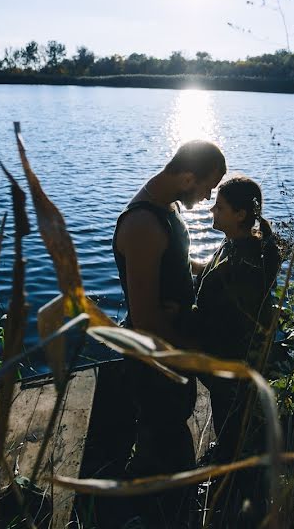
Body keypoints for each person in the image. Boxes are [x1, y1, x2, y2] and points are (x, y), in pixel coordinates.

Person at [112, 139, 226, 527]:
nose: (209, 197)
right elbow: (144, 317)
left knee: (169, 430)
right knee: (165, 441)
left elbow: (173, 262)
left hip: (169, 349)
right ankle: (150, 515)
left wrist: (209, 267)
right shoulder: (142, 224)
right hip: (155, 358)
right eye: (208, 187)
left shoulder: (167, 206)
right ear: (188, 177)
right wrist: (193, 352)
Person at [193, 176, 281, 525]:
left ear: (241, 214)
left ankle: (236, 502)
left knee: (234, 429)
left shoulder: (244, 263)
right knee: (230, 425)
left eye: (221, 206)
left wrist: (183, 317)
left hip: (233, 365)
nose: (212, 209)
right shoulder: (236, 246)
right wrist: (193, 268)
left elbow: (227, 317)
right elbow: (216, 280)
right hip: (229, 363)